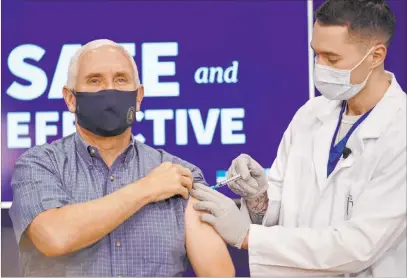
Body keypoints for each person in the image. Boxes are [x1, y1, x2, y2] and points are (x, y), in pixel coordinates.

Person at [191, 0, 406, 276]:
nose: (320, 66)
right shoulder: (311, 114)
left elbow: (358, 246)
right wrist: (259, 197)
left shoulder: (400, 131)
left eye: (332, 58)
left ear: (376, 56)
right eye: (316, 54)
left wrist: (248, 236)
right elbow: (283, 208)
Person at [9, 39, 235, 277]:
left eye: (120, 79)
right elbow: (54, 236)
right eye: (94, 80)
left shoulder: (179, 174)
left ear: (138, 97)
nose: (110, 90)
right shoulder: (39, 165)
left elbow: (218, 273)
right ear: (71, 98)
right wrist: (146, 189)